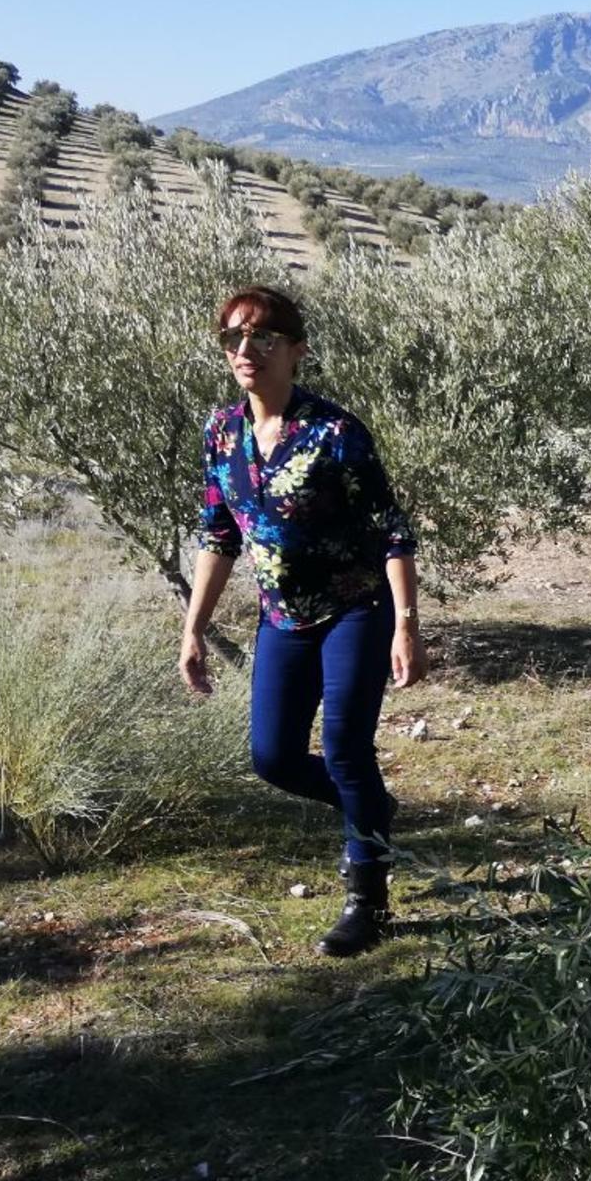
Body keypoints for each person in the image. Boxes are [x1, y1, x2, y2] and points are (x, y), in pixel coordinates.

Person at [179, 285, 421, 959]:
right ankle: (369, 808)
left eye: (262, 337)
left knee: (345, 748)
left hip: (356, 610)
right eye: (234, 338)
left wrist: (406, 625)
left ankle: (366, 899)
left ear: (296, 351)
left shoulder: (335, 432)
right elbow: (219, 534)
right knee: (274, 758)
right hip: (281, 620)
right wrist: (193, 628)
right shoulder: (221, 433)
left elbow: (391, 534)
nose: (246, 350)